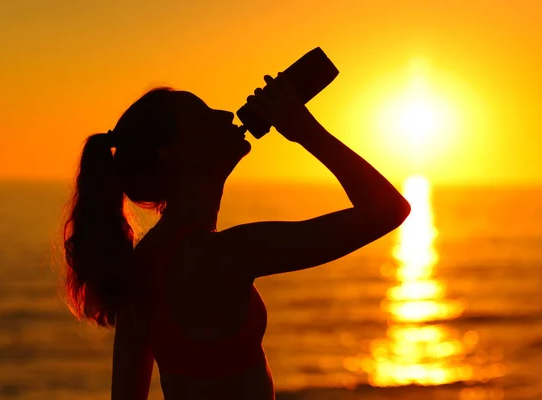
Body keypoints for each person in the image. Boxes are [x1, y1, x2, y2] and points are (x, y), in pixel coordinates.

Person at [62, 72, 411, 400]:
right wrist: (304, 129)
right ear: (173, 154)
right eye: (204, 116)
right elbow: (388, 210)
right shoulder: (221, 256)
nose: (226, 114)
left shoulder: (142, 265)